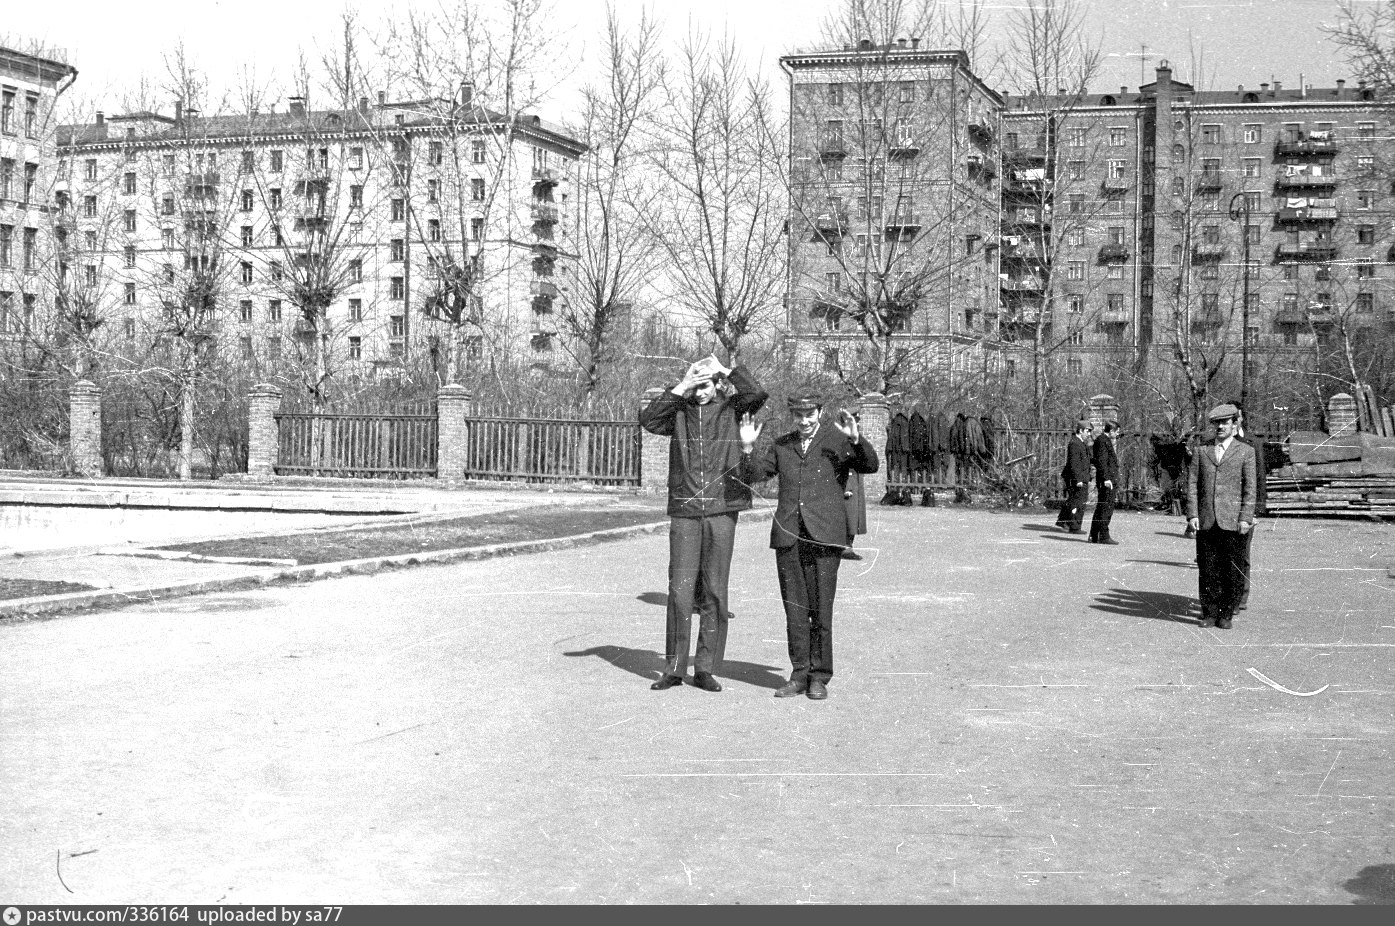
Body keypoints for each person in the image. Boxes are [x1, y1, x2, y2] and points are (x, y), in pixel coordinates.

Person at [639, 355, 768, 691]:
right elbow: (648, 419)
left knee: (714, 591)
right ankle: (675, 668)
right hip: (685, 511)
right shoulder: (678, 413)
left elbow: (757, 392)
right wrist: (682, 384)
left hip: (723, 510)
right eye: (695, 388)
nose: (699, 393)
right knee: (680, 592)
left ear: (717, 386)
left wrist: (724, 370)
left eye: (705, 386)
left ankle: (706, 667)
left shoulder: (731, 410)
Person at [739, 394, 880, 701]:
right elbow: (754, 476)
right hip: (789, 536)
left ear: (819, 412)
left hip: (825, 537)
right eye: (797, 415)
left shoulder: (837, 439)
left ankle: (819, 677)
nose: (803, 421)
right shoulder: (782, 444)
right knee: (795, 611)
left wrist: (856, 439)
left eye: (809, 414)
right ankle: (799, 673)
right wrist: (747, 447)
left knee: (821, 610)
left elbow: (870, 465)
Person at [1185, 403, 1257, 630]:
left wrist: (1246, 517)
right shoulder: (1201, 451)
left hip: (1233, 521)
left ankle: (1226, 613)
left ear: (1234, 424)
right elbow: (1193, 484)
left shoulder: (1246, 452)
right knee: (1207, 569)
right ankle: (1209, 613)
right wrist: (1192, 514)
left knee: (1231, 569)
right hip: (1206, 519)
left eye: (1225, 423)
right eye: (1216, 423)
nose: (1220, 427)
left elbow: (1250, 488)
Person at [1230, 401, 1266, 611]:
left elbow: (1259, 478)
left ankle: (1241, 596)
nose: (1232, 421)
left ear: (1241, 419)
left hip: (1246, 507)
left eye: (1236, 417)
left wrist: (1256, 510)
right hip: (1223, 508)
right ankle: (1227, 597)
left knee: (1242, 554)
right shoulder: (1216, 442)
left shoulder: (1253, 443)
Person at [1055, 419, 1092, 533]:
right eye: (1087, 431)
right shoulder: (1075, 443)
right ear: (1080, 430)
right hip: (1076, 478)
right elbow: (1074, 463)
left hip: (1079, 476)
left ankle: (1064, 521)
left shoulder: (1080, 443)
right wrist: (1078, 479)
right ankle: (1074, 527)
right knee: (1078, 501)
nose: (1089, 433)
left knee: (1074, 500)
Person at [1089, 420, 1121, 544]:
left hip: (1107, 479)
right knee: (1106, 507)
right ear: (1111, 430)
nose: (1117, 434)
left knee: (1102, 507)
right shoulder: (1103, 441)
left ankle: (1095, 535)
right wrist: (1106, 478)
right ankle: (1103, 535)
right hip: (1107, 480)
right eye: (1117, 432)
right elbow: (1102, 462)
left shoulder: (1102, 440)